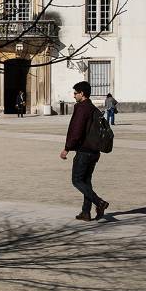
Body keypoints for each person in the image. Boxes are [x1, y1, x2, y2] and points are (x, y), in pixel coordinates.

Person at [60, 81, 108, 221]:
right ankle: (85, 212)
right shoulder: (93, 108)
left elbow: (76, 130)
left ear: (82, 94)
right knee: (86, 181)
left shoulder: (82, 108)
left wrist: (67, 148)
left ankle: (99, 202)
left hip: (84, 151)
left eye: (75, 93)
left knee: (77, 180)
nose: (74, 96)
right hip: (94, 151)